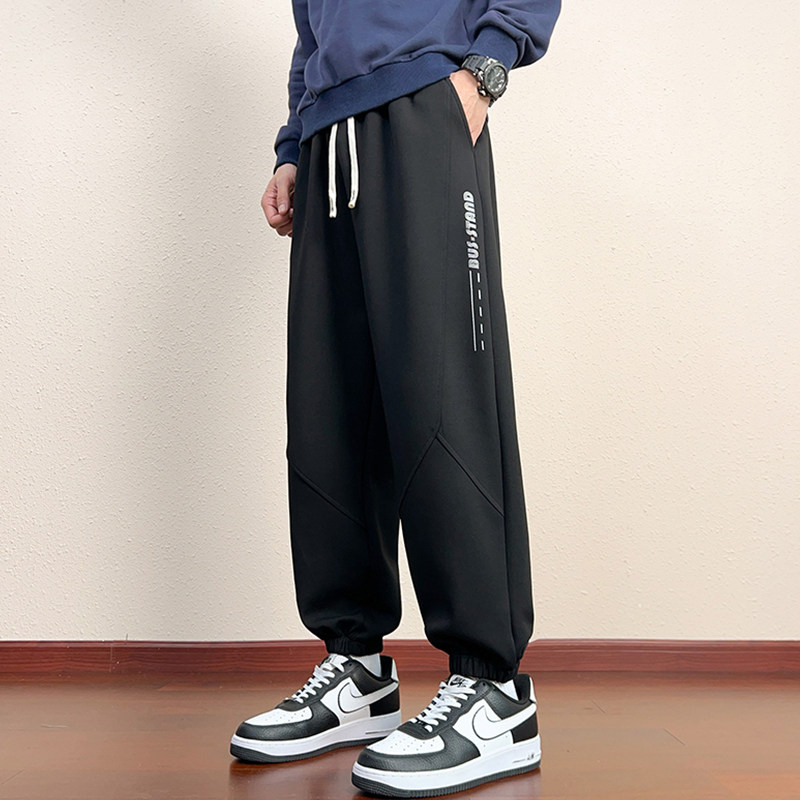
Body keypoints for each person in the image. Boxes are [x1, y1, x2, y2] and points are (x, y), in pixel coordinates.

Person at [230, 1, 561, 796]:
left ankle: (493, 691)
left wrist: (486, 69)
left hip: (422, 109)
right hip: (326, 139)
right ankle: (357, 669)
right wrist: (292, 145)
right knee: (330, 414)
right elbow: (314, 31)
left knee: (444, 397)